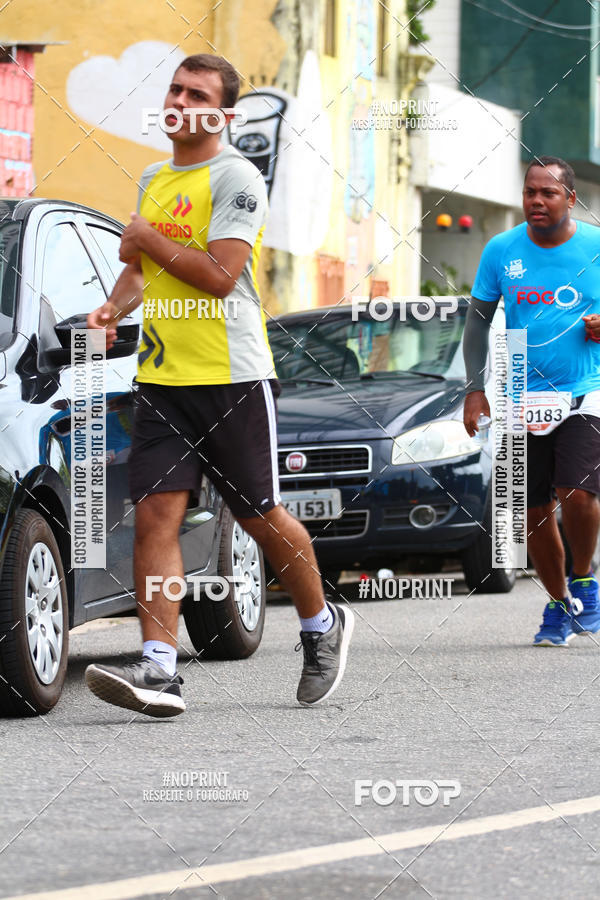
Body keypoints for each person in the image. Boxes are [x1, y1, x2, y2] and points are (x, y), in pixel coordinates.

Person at [84, 54, 353, 716]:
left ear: (223, 114)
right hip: (162, 376)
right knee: (156, 515)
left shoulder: (237, 177)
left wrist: (146, 234)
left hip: (232, 376)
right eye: (174, 89)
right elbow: (146, 271)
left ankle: (322, 627)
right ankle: (158, 669)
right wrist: (111, 309)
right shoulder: (153, 176)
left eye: (197, 93)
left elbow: (217, 274)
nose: (180, 100)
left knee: (261, 518)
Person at [463, 155, 600, 646]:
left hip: (586, 390)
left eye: (548, 193)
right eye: (530, 192)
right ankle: (559, 603)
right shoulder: (502, 250)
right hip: (522, 391)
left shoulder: (595, 245)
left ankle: (584, 578)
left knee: (577, 492)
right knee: (532, 511)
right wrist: (475, 389)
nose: (537, 201)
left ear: (571, 198)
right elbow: (478, 322)